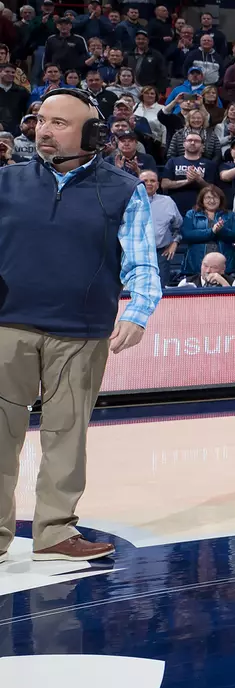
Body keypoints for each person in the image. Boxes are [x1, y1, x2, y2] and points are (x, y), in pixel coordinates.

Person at [0, 87, 161, 562]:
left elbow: (142, 262)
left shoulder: (123, 189)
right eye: (41, 121)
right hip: (9, 327)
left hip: (81, 333)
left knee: (66, 434)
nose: (43, 131)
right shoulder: (5, 181)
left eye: (58, 123)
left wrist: (138, 311)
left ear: (91, 134)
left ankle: (54, 531)